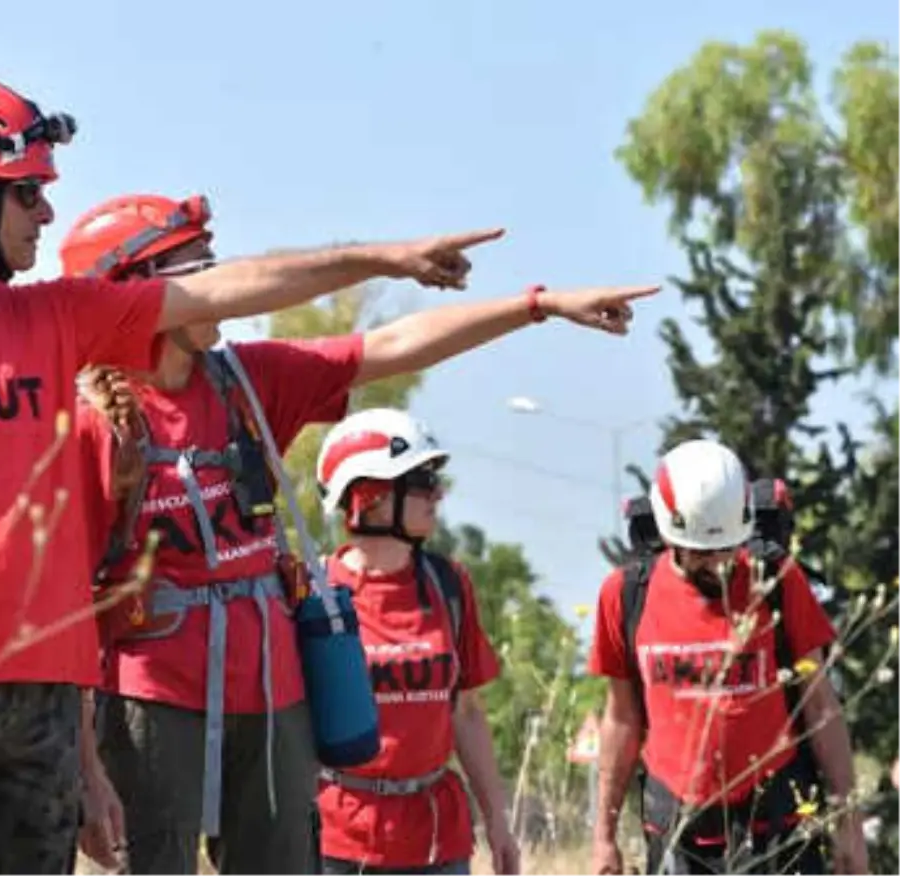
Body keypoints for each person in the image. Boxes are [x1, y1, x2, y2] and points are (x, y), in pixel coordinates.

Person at [0, 74, 521, 876]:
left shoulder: (56, 317)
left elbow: (221, 288)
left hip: (47, 698)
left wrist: (383, 259)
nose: (47, 214)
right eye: (28, 193)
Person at [58, 192, 659, 875]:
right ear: (134, 293)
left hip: (273, 696)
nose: (223, 288)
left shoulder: (247, 385)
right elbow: (65, 614)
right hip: (150, 701)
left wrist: (537, 307)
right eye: (202, 272)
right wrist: (86, 770)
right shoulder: (91, 428)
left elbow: (394, 346)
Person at [587, 439, 869, 876]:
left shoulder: (776, 581)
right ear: (667, 533)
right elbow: (621, 720)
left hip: (777, 828)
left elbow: (820, 706)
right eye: (702, 552)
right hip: (680, 836)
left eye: (727, 549)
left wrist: (848, 829)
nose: (718, 563)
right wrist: (603, 839)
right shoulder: (625, 597)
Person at [312, 408, 519, 876]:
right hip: (339, 844)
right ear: (371, 496)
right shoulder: (315, 593)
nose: (438, 493)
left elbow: (465, 712)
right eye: (422, 481)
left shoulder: (449, 584)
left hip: (437, 841)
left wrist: (498, 824)